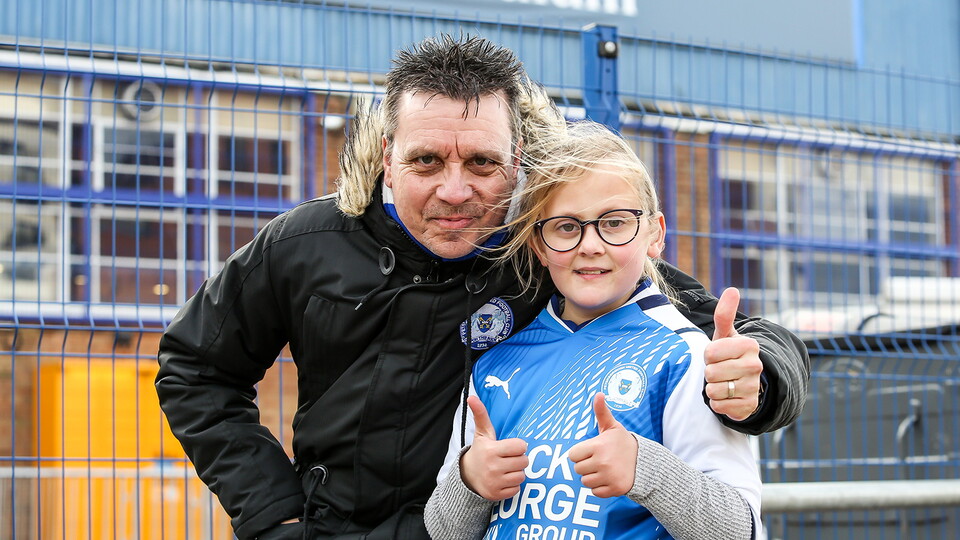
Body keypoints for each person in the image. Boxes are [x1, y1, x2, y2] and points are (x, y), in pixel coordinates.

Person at [155, 34, 807, 540]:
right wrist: (274, 515)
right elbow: (194, 367)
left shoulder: (549, 245)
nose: (456, 189)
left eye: (483, 163)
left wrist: (757, 381)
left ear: (516, 162)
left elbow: (732, 334)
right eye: (427, 161)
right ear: (388, 157)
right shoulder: (306, 244)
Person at [424, 121, 760, 540]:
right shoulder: (496, 360)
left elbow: (740, 530)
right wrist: (470, 481)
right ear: (538, 247)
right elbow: (442, 531)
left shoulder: (686, 356)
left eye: (614, 223)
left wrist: (646, 469)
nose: (590, 245)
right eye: (566, 227)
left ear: (654, 233)